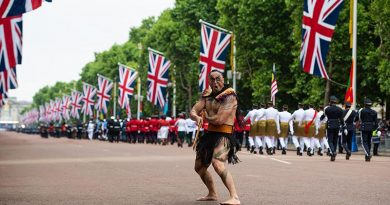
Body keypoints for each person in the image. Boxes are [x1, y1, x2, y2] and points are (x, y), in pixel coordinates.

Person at [190, 70, 240, 205]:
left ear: (223, 79)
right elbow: (194, 110)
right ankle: (212, 193)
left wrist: (205, 118)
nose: (215, 82)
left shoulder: (230, 96)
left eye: (218, 79)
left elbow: (219, 119)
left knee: (217, 163)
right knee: (199, 167)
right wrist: (196, 116)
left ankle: (234, 197)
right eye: (212, 79)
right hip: (209, 135)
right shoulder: (207, 96)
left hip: (224, 134)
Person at [321, 96, 344, 161]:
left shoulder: (327, 109)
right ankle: (333, 153)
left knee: (330, 140)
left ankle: (333, 152)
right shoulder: (340, 109)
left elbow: (323, 116)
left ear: (330, 102)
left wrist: (320, 120)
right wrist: (344, 127)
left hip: (330, 125)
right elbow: (341, 119)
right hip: (337, 125)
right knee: (335, 140)